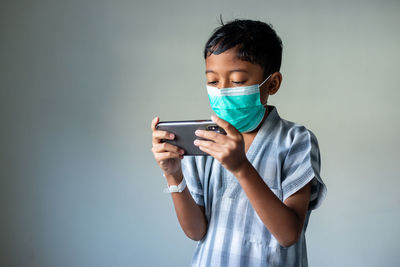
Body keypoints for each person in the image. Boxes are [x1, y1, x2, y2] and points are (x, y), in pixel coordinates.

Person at [151, 19, 327, 267]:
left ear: (273, 83)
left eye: (236, 81)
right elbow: (196, 232)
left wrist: (241, 168)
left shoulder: (295, 142)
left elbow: (288, 235)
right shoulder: (204, 141)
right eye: (213, 81)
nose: (222, 91)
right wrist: (173, 175)